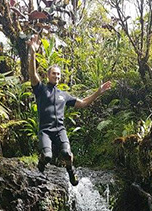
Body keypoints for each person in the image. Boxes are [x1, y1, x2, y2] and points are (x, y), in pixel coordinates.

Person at [28, 34, 112, 186]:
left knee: (67, 153)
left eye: (58, 74)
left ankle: (71, 171)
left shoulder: (63, 95)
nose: (56, 76)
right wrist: (33, 52)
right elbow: (32, 74)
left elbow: (83, 103)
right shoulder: (41, 90)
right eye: (54, 73)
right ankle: (40, 165)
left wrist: (98, 92)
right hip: (45, 130)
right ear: (48, 75)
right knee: (48, 156)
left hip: (59, 130)